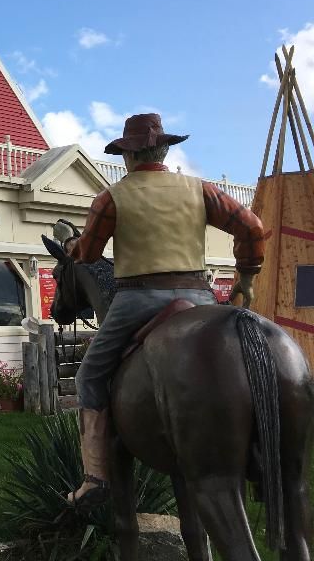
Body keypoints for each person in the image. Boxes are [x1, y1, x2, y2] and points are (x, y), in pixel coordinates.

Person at [64, 113, 264, 508]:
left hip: (137, 298)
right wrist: (247, 276)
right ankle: (258, 452)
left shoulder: (111, 198)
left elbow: (88, 253)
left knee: (90, 374)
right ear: (165, 151)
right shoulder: (200, 190)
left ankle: (95, 479)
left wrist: (73, 247)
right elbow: (252, 227)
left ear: (128, 156)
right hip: (199, 297)